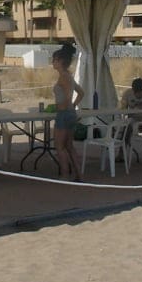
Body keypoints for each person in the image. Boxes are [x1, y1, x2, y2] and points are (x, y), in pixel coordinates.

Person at [51, 43, 84, 181]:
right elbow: (81, 93)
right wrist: (73, 105)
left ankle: (65, 174)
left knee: (59, 146)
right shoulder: (69, 76)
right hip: (70, 113)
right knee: (69, 146)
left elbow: (67, 96)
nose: (52, 62)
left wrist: (62, 106)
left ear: (61, 61)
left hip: (64, 113)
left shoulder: (64, 77)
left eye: (54, 60)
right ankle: (79, 174)